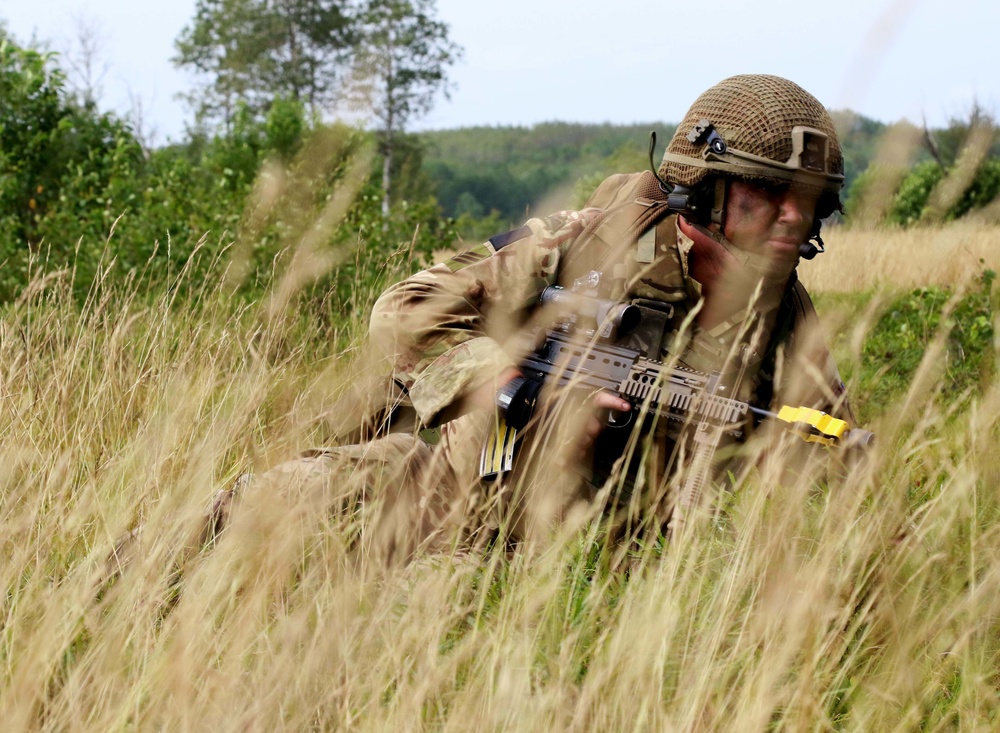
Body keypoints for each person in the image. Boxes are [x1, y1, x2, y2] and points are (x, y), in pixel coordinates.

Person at [217, 74, 856, 564]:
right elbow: (405, 310)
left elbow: (830, 439)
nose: (794, 217)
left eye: (811, 201)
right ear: (706, 189)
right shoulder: (581, 244)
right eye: (768, 193)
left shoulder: (781, 312)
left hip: (590, 548)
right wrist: (510, 379)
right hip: (452, 482)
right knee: (252, 519)